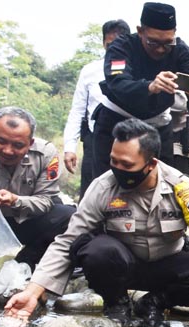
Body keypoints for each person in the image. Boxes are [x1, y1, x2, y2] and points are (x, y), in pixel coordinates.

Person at [4, 119, 189, 327]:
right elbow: (68, 240)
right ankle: (116, 303)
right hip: (120, 267)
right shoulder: (103, 187)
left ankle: (153, 304)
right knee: (95, 250)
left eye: (127, 164)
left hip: (165, 265)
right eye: (114, 161)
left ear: (151, 163)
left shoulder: (182, 188)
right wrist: (33, 292)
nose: (118, 169)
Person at [92, 2, 189, 181]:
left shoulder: (182, 51)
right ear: (140, 31)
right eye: (153, 42)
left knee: (164, 184)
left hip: (158, 127)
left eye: (167, 43)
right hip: (115, 122)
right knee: (106, 185)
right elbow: (118, 82)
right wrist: (149, 86)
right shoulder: (121, 47)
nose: (161, 49)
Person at [0, 107, 76, 269]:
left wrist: (15, 200)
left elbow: (46, 200)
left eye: (18, 145)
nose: (8, 150)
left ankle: (25, 262)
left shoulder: (46, 154)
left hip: (29, 220)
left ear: (31, 143)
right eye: (1, 141)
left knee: (69, 217)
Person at [63, 19, 131, 197]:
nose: (115, 50)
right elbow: (77, 110)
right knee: (92, 194)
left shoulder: (137, 69)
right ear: (103, 44)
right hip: (95, 140)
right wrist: (69, 146)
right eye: (110, 45)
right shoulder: (90, 70)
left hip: (129, 141)